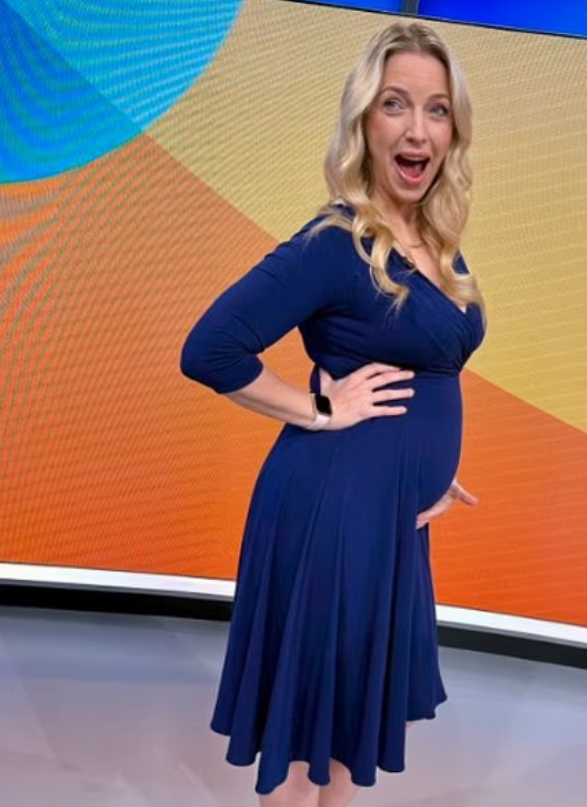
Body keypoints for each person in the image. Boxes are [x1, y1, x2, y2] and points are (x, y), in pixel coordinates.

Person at [180, 20, 485, 807]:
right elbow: (210, 349)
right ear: (363, 121)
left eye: (437, 109)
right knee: (309, 724)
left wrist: (431, 470)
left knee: (355, 718)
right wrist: (319, 406)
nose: (418, 129)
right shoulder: (334, 241)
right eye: (395, 104)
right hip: (333, 510)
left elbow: (427, 372)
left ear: (454, 130)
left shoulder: (435, 240)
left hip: (389, 516)